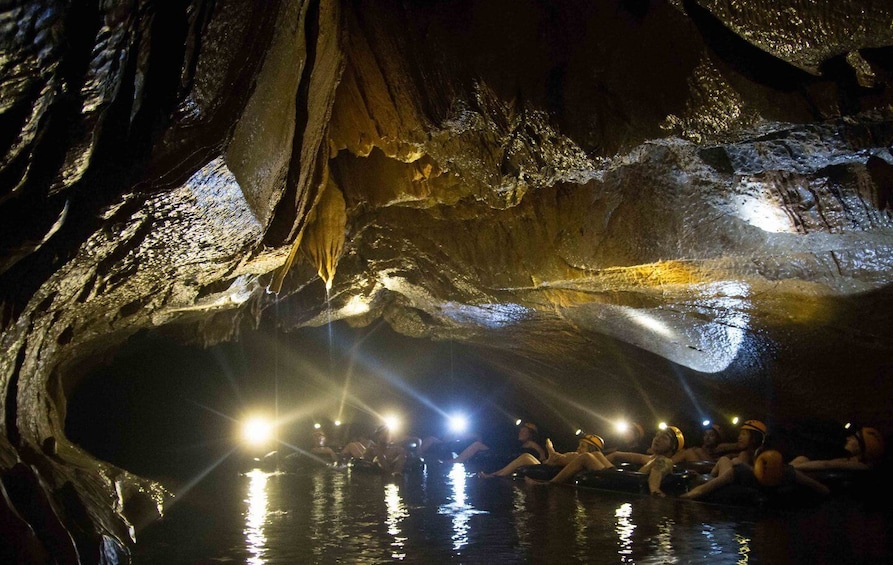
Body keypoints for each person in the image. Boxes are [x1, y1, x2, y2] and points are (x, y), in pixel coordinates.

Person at [531, 426, 685, 497]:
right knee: (595, 455)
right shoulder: (649, 458)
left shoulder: (665, 460)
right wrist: (602, 460)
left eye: (663, 437)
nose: (657, 438)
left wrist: (654, 489)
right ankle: (556, 458)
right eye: (657, 435)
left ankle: (550, 485)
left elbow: (659, 469)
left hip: (629, 483)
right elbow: (618, 455)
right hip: (622, 476)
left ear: (673, 447)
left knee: (586, 457)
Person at [680, 447, 830, 501]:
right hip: (730, 472)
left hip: (743, 472)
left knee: (734, 461)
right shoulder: (737, 473)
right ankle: (703, 476)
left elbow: (820, 488)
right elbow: (705, 488)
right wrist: (685, 497)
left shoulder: (788, 473)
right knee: (727, 460)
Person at [478, 433, 605, 478]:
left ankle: (494, 475)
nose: (578, 448)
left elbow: (556, 457)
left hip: (552, 471)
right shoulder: (575, 454)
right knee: (526, 456)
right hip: (550, 466)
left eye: (582, 446)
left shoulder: (582, 457)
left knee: (525, 457)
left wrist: (550, 448)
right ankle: (497, 474)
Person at [447, 421, 546, 465]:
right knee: (477, 443)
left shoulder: (530, 443)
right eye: (521, 430)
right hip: (502, 452)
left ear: (530, 435)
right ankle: (457, 459)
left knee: (477, 445)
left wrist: (542, 457)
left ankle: (456, 461)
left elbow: (540, 451)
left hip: (502, 455)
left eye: (524, 431)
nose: (520, 432)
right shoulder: (518, 443)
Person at [790, 426, 885, 471]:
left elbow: (826, 465)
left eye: (854, 438)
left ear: (861, 448)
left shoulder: (859, 466)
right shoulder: (852, 460)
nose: (848, 438)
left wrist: (789, 469)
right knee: (802, 458)